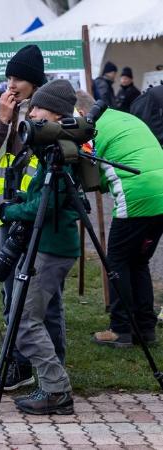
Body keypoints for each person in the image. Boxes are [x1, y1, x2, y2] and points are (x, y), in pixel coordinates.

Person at [0, 79, 80, 415]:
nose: (30, 113)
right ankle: (53, 383)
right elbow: (40, 196)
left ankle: (56, 389)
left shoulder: (62, 151)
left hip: (51, 246)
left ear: (57, 115)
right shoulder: (50, 148)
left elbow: (48, 205)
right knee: (30, 315)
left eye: (37, 108)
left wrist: (12, 210)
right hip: (46, 244)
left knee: (24, 320)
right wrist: (23, 199)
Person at [0, 44, 45, 391]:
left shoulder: (46, 111)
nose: (12, 84)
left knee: (39, 300)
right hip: (9, 218)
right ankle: (20, 364)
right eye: (9, 77)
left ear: (34, 81)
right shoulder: (10, 113)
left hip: (37, 216)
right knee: (10, 294)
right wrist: (3, 120)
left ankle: (45, 368)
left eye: (18, 78)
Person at [75, 91, 163, 348]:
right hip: (160, 194)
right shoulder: (123, 117)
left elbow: (92, 180)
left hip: (137, 194)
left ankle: (120, 329)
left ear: (80, 113)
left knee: (118, 261)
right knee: (139, 261)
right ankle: (146, 328)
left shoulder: (89, 129)